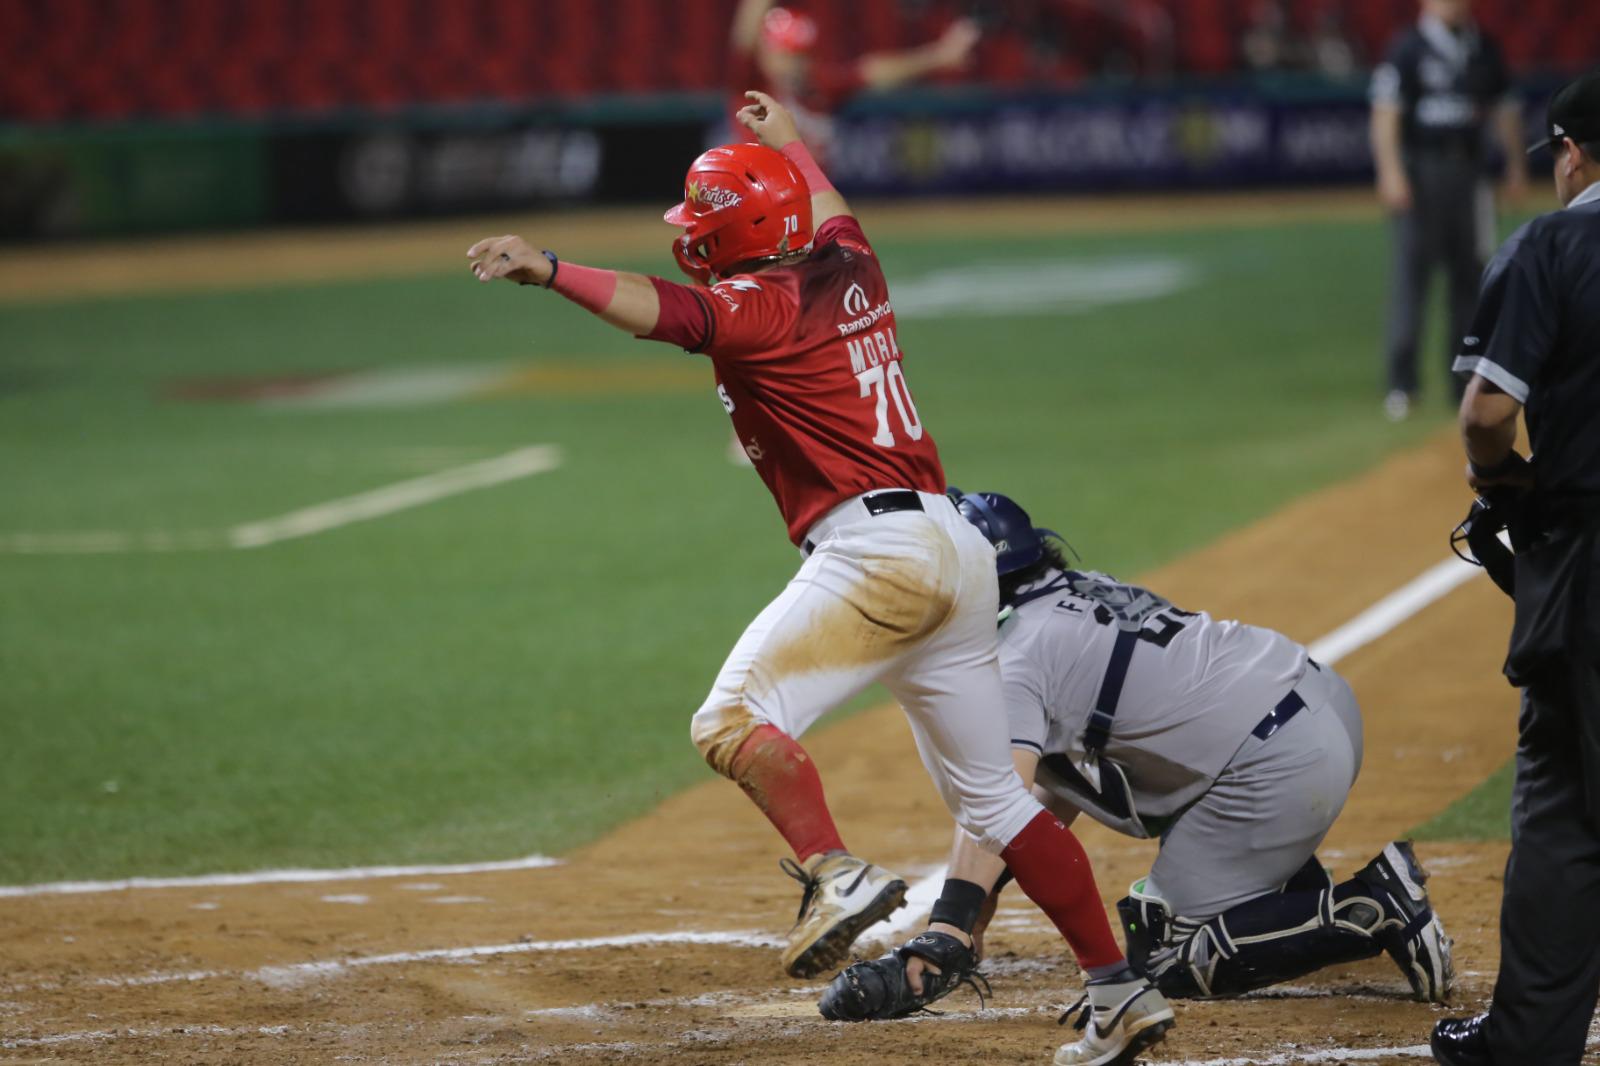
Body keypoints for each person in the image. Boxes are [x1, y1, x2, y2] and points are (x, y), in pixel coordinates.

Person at [466, 91, 1174, 1066]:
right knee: (996, 804)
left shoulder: (757, 307)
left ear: (727, 234)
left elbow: (659, 308)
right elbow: (832, 207)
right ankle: (1119, 990)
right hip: (954, 546)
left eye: (698, 222)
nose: (687, 235)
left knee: (728, 721)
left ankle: (835, 873)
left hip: (876, 554)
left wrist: (548, 269)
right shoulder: (849, 263)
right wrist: (792, 144)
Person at [832, 491, 1454, 1014]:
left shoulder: (1013, 657)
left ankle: (1371, 907)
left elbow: (999, 802)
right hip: (1315, 703)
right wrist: (976, 908)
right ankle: (1281, 883)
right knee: (1138, 814)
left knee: (1164, 959)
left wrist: (950, 922)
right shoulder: (1074, 592)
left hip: (1275, 763)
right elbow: (1055, 783)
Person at [1430, 68, 1600, 1066]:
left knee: (1566, 797)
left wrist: (1501, 479)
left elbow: (1488, 413)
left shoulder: (1552, 244)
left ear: (1572, 153)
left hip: (1587, 566)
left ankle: (1530, 1042)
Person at [1369, 0, 1527, 422]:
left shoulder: (1484, 48)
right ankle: (1402, 384)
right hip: (1422, 175)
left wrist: (1515, 164)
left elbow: (1506, 109)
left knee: (1471, 282)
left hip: (1472, 176)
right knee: (1411, 279)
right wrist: (1390, 171)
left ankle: (1464, 382)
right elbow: (1386, 112)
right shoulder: (1407, 47)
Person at [726, 1, 979, 160]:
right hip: (760, 202)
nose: (792, 64)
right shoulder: (750, 84)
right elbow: (745, 33)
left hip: (810, 206)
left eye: (800, 55)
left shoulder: (819, 85)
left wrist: (938, 56)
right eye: (783, 54)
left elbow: (874, 71)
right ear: (764, 54)